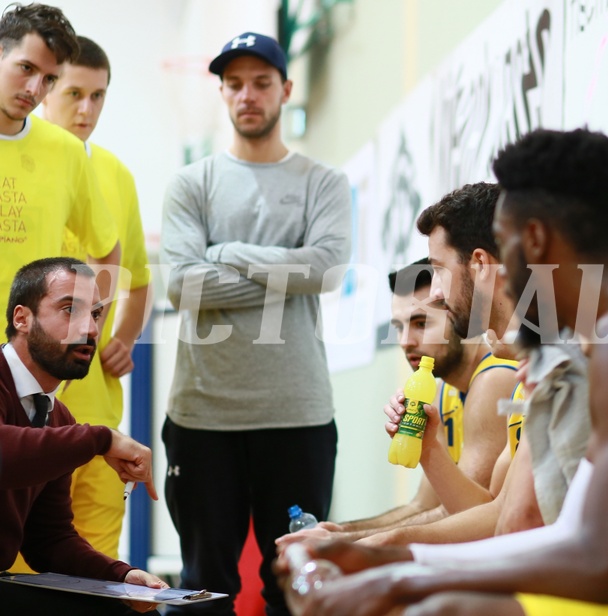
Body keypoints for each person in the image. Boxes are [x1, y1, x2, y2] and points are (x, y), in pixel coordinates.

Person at [292, 128, 608, 616]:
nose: (499, 272)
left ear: (535, 240)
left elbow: (595, 559)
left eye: (503, 247)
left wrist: (399, 572)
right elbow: (566, 532)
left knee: (442, 610)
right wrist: (393, 557)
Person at [160, 31, 351, 615]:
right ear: (221, 92)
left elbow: (324, 269)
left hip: (297, 415)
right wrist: (282, 268)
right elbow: (182, 285)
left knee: (294, 585)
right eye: (235, 84)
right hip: (202, 416)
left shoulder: (324, 183)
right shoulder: (192, 185)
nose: (248, 95)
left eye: (262, 83)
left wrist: (227, 251)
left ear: (285, 89)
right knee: (205, 587)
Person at [275, 257, 518, 549]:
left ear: (460, 316)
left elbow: (464, 518)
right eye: (399, 327)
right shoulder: (441, 390)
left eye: (420, 323)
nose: (405, 341)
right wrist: (337, 531)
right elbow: (421, 506)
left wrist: (347, 542)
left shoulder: (494, 380)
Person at [39, 34, 152, 561]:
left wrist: (125, 338)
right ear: (45, 89)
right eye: (74, 94)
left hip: (99, 405)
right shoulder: (23, 163)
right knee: (22, 570)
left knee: (99, 565)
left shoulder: (116, 174)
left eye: (99, 96)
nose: (87, 110)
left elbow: (140, 279)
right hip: (30, 409)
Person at [0, 257, 165, 615]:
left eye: (95, 314)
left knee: (123, 607)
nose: (89, 328)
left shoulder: (57, 418)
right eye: (70, 309)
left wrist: (122, 575)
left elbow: (49, 540)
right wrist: (100, 439)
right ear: (22, 318)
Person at [0, 3, 120, 324]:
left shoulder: (67, 151)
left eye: (49, 78)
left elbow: (107, 250)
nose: (34, 89)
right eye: (26, 68)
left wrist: (81, 336)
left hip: (28, 360)